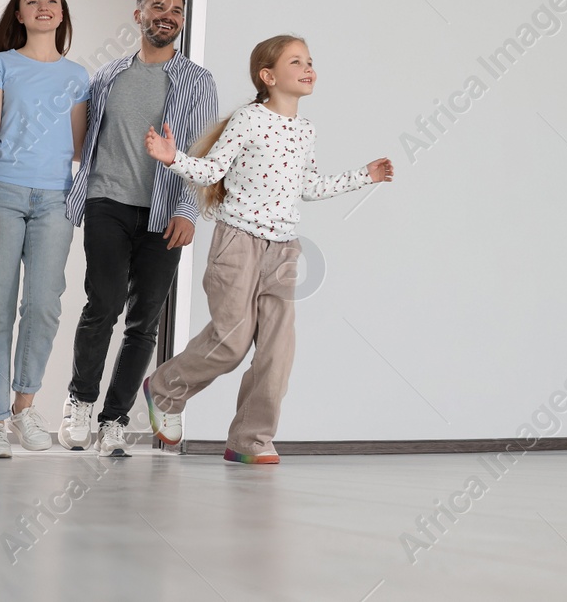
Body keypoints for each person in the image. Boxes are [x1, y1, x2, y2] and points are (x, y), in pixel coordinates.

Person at [138, 34, 392, 464]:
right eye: (297, 62)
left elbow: (309, 186)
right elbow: (212, 170)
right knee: (232, 342)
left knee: (278, 350)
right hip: (237, 244)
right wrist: (172, 157)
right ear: (269, 76)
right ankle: (164, 389)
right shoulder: (249, 120)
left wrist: (362, 176)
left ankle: (250, 439)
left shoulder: (306, 130)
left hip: (284, 250)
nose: (309, 67)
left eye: (310, 60)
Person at [59, 0, 218, 456]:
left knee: (144, 321)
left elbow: (203, 151)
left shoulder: (198, 81)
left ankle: (114, 419)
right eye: (157, 7)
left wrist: (190, 210)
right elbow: (83, 140)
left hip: (166, 210)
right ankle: (80, 401)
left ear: (182, 21)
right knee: (101, 305)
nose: (166, 14)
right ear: (139, 15)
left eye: (175, 9)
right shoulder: (107, 76)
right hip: (107, 201)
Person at [0, 0, 90, 459]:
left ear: (62, 15)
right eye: (31, 1)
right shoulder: (0, 65)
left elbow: (81, 148)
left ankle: (23, 406)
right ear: (18, 15)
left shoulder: (78, 74)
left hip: (56, 200)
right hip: (2, 191)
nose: (43, 7)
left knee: (43, 304)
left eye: (52, 0)